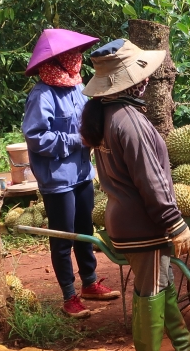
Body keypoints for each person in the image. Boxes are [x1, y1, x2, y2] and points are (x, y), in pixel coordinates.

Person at [79, 39, 190, 351]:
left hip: (126, 217)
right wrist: (174, 221)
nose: (147, 79)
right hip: (142, 223)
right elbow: (152, 180)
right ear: (133, 82)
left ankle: (180, 339)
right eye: (142, 74)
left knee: (162, 279)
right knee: (149, 287)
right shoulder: (128, 121)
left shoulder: (105, 114)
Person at [22, 29, 120, 319]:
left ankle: (90, 283)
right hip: (58, 179)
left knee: (84, 231)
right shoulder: (42, 95)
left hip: (82, 174)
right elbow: (37, 137)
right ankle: (68, 295)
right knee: (63, 238)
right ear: (59, 60)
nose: (77, 59)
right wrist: (77, 139)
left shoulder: (78, 87)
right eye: (71, 55)